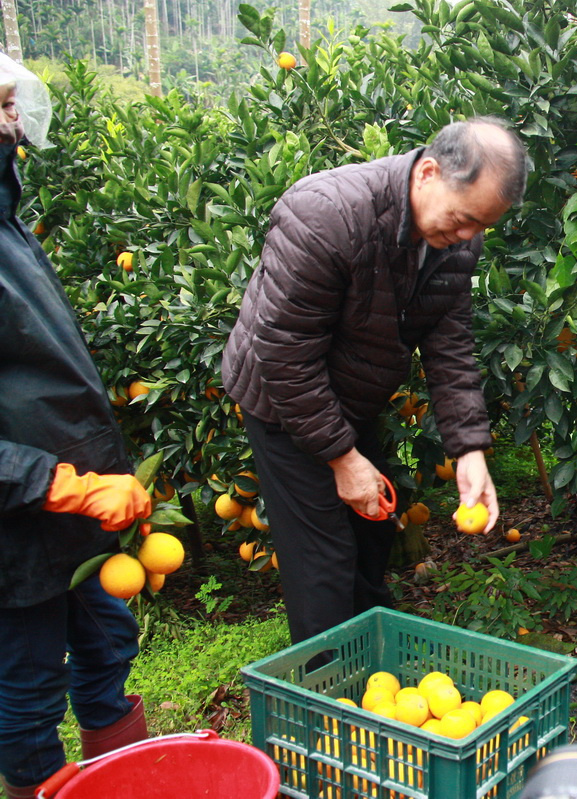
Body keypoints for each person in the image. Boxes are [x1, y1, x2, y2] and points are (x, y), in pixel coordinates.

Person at [222, 117, 527, 646]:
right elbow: (282, 352)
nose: (466, 238)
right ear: (429, 172)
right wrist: (342, 458)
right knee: (324, 560)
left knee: (370, 535)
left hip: (350, 395)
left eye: (480, 227)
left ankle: (373, 675)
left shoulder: (455, 243)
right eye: (462, 219)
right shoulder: (325, 214)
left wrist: (470, 450)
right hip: (282, 399)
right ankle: (326, 707)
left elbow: (448, 347)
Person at [0, 58, 153, 797]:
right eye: (0, 110)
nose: (14, 126)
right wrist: (62, 482)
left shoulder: (8, 222)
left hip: (76, 512)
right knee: (29, 684)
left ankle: (123, 777)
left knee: (107, 644)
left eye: (11, 107)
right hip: (17, 528)